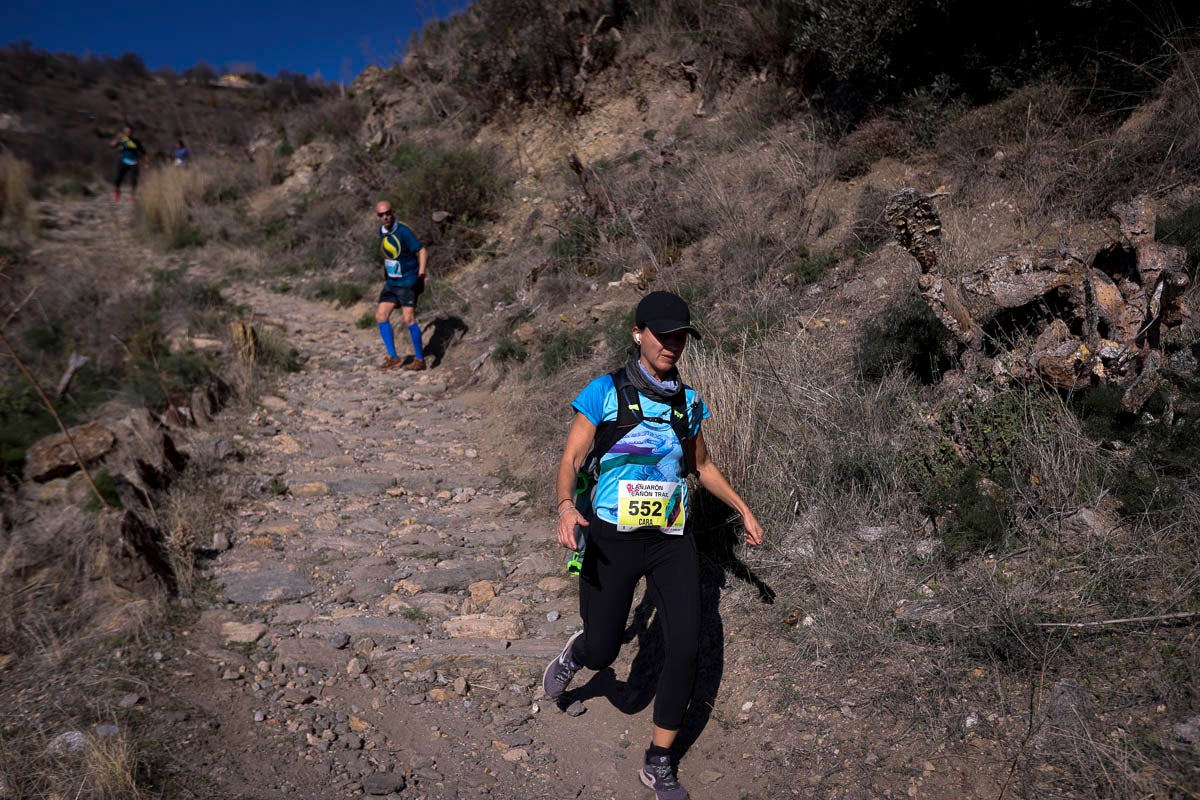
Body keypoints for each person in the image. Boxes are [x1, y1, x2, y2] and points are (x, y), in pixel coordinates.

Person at [545, 290, 764, 800]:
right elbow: (572, 458)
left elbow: (702, 467)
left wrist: (743, 508)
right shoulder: (605, 391)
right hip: (610, 539)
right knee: (603, 650)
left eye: (680, 337)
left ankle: (659, 760)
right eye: (662, 335)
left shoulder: (687, 403)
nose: (672, 345)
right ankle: (579, 654)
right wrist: (563, 507)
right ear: (638, 334)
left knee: (685, 644)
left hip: (670, 539)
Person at [373, 201, 428, 371]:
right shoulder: (382, 231)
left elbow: (421, 250)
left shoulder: (403, 231)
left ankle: (420, 360)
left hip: (407, 281)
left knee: (408, 319)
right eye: (381, 215)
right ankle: (393, 357)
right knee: (381, 316)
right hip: (392, 282)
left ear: (393, 212)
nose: (385, 217)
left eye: (388, 213)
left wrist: (421, 272)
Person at [110, 125, 145, 201]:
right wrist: (118, 138)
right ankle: (117, 193)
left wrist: (145, 162)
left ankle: (132, 196)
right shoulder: (122, 140)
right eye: (127, 131)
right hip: (123, 161)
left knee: (134, 180)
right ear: (124, 132)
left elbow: (143, 152)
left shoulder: (136, 141)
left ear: (133, 132)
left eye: (130, 131)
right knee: (117, 179)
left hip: (134, 162)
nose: (129, 133)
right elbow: (112, 145)